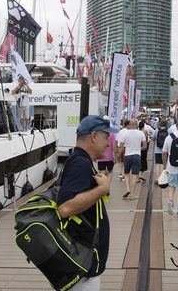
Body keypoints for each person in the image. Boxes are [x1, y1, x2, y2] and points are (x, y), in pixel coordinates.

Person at [57, 115, 118, 290]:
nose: (108, 143)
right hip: (82, 268)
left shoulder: (80, 161)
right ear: (93, 136)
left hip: (83, 262)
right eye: (106, 137)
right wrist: (101, 190)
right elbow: (65, 207)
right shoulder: (80, 164)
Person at [118, 119, 147, 200]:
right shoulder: (141, 133)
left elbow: (121, 146)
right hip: (137, 156)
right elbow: (145, 146)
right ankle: (132, 195)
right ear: (137, 125)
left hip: (127, 156)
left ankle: (127, 188)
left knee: (126, 173)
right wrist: (138, 148)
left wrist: (118, 156)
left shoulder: (125, 133)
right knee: (134, 175)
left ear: (129, 124)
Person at [152, 119, 168, 184]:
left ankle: (157, 178)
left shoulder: (156, 130)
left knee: (157, 165)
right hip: (165, 151)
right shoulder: (168, 130)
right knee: (163, 165)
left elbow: (152, 138)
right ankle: (162, 179)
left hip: (157, 150)